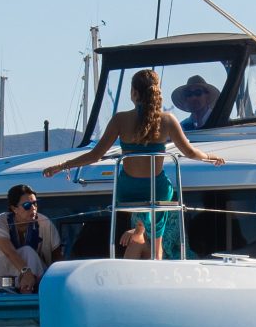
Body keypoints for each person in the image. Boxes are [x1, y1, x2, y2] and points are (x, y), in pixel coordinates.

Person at [47, 66, 223, 257]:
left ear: (134, 93)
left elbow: (94, 155)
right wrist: (210, 158)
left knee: (138, 200)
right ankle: (149, 242)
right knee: (162, 214)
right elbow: (190, 152)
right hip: (157, 189)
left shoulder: (120, 119)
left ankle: (139, 228)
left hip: (128, 190)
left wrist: (62, 166)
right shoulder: (168, 120)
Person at [0, 184, 59, 293]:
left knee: (29, 253)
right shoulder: (1, 220)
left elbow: (57, 257)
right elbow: (8, 251)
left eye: (35, 203)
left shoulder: (44, 223)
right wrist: (26, 272)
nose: (33, 208)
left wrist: (58, 282)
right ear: (14, 208)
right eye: (27, 205)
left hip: (39, 283)